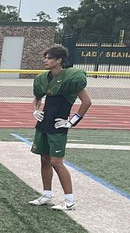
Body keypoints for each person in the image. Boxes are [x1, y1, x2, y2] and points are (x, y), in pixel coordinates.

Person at [27, 44, 92, 212]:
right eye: (45, 57)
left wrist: (72, 122)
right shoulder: (43, 78)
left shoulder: (72, 78)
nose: (45, 61)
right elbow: (37, 98)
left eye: (49, 58)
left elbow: (87, 102)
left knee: (57, 162)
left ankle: (69, 200)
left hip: (58, 125)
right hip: (43, 123)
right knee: (44, 160)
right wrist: (35, 110)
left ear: (59, 60)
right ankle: (47, 195)